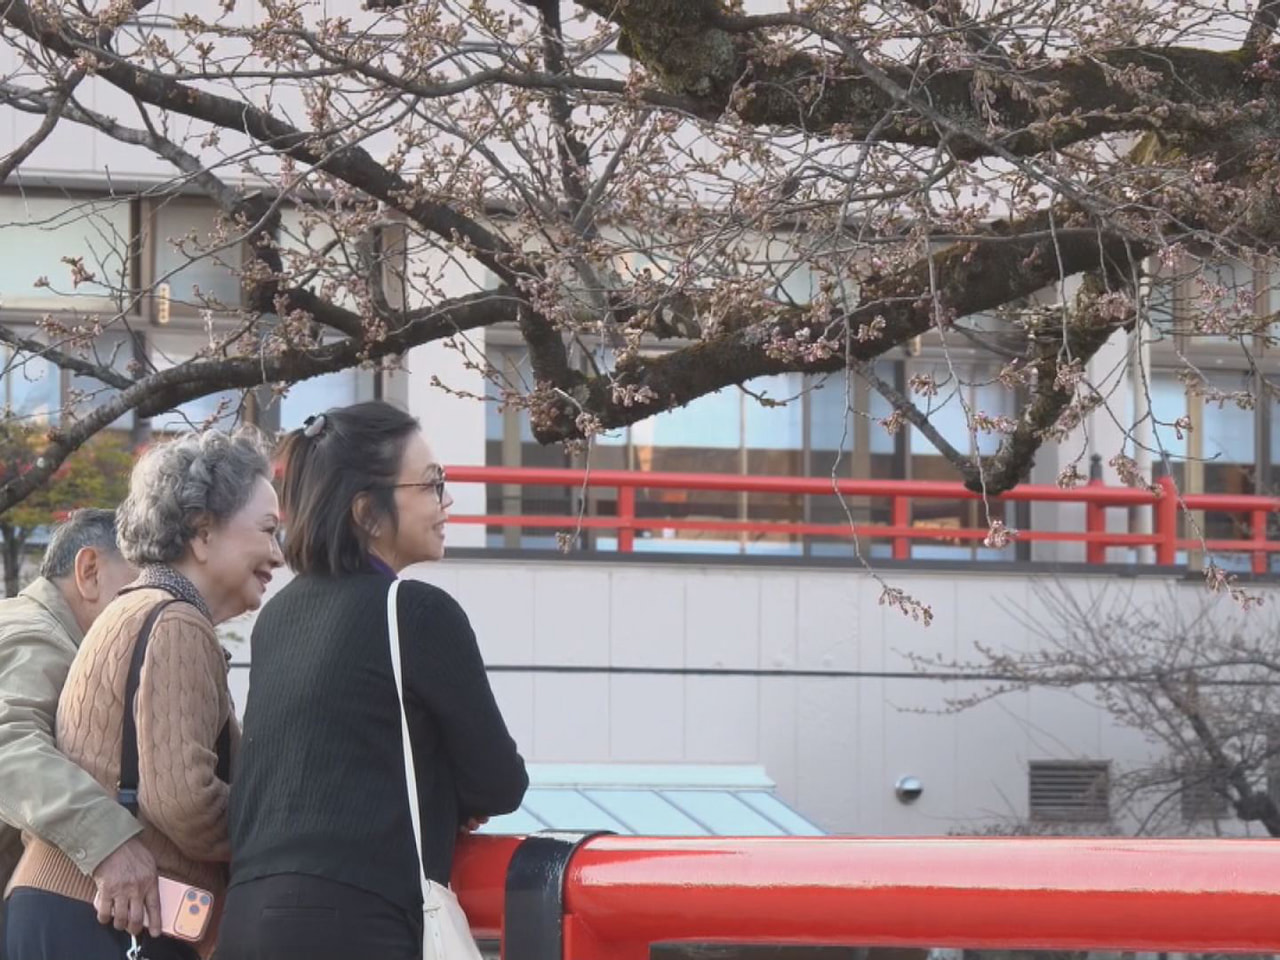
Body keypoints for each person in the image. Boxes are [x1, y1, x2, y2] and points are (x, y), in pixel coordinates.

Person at [218, 401, 528, 960]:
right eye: (433, 484)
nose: (447, 501)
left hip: (245, 918)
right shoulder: (415, 611)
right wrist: (453, 794)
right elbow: (500, 783)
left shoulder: (278, 616)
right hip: (357, 922)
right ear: (367, 511)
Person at [4, 429, 284, 960]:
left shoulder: (137, 608)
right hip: (103, 919)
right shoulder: (174, 619)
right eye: (268, 530)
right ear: (202, 532)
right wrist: (283, 831)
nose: (277, 553)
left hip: (67, 908)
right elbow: (184, 801)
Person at [0, 510, 154, 955]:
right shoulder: (35, 632)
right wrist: (108, 842)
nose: (148, 607)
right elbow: (9, 745)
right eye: (138, 588)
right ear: (89, 571)